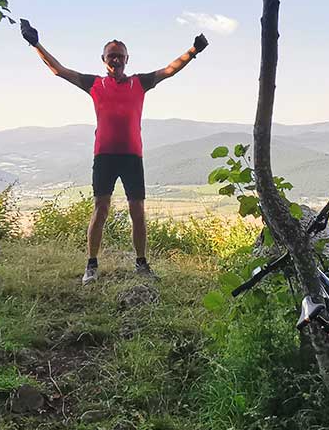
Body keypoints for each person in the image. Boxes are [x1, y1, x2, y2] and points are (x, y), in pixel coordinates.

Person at [19, 19, 209, 285]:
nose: (116, 60)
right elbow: (59, 70)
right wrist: (35, 43)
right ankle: (91, 264)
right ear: (103, 59)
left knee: (137, 211)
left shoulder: (139, 83)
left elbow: (169, 70)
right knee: (101, 208)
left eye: (120, 56)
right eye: (112, 56)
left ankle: (141, 264)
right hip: (105, 156)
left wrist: (193, 51)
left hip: (132, 157)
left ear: (127, 59)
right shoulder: (94, 84)